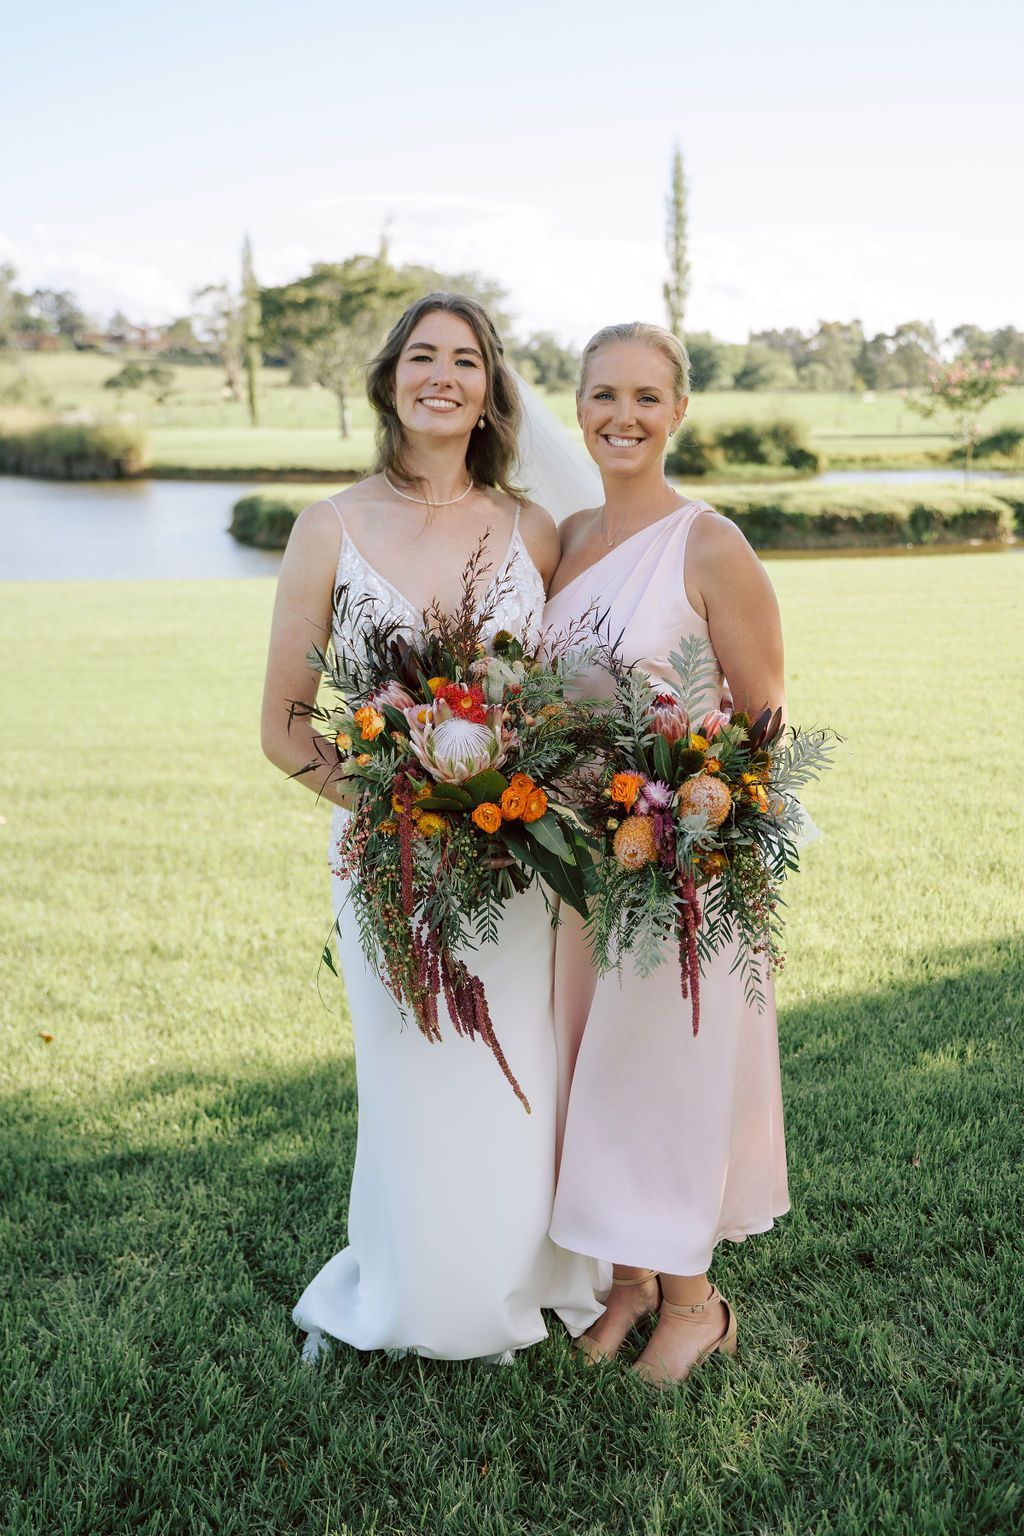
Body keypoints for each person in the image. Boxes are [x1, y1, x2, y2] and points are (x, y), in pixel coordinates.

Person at [260, 292, 602, 1362]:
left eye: (464, 358)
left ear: (492, 389)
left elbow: (570, 695)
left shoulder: (532, 530)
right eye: (422, 357)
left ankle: (509, 1287)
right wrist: (402, 815)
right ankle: (400, 1295)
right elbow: (283, 726)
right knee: (411, 1078)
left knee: (513, 1078)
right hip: (388, 862)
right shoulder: (330, 527)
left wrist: (523, 802)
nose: (441, 375)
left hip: (514, 869)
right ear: (390, 380)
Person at [546, 322, 790, 1387]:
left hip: (678, 867)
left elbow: (765, 720)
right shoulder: (565, 538)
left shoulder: (708, 542)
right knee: (596, 1074)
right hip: (575, 865)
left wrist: (694, 822)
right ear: (579, 404)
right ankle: (629, 1283)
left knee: (665, 1078)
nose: (622, 417)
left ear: (679, 411)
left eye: (647, 397)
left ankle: (697, 1303)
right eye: (603, 395)